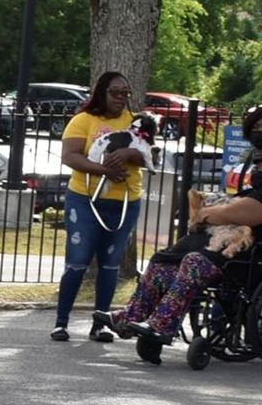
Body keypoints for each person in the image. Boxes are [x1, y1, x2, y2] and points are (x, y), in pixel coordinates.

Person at [114, 108, 262, 357]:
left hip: (249, 249)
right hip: (226, 236)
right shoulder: (253, 163)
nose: (259, 133)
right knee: (164, 261)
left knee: (195, 262)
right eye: (256, 128)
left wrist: (209, 214)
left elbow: (254, 211)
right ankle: (132, 316)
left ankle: (161, 325)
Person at [54, 71, 150, 344]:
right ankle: (61, 322)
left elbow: (147, 156)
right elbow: (69, 156)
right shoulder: (83, 120)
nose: (121, 98)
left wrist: (129, 152)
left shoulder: (135, 122)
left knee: (110, 264)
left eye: (125, 93)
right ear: (102, 93)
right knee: (78, 260)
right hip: (85, 200)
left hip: (124, 201)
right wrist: (103, 170)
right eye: (115, 93)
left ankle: (101, 324)